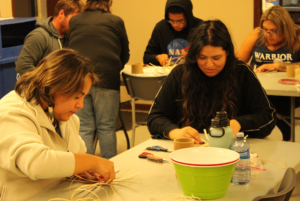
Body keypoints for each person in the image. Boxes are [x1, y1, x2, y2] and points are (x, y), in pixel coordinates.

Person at [0, 49, 115, 201]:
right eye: (76, 96)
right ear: (54, 87)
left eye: (83, 97)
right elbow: (36, 163)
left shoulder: (63, 116)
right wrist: (91, 162)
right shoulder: (13, 112)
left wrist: (78, 169)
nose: (80, 104)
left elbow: (76, 153)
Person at [147, 20, 276, 142]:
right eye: (202, 57)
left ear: (227, 53)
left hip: (231, 150)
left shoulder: (241, 73)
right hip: (189, 150)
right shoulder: (180, 73)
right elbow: (155, 117)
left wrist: (239, 123)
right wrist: (175, 132)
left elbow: (267, 116)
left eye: (216, 58)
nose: (209, 64)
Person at [68, 0, 130, 158]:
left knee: (84, 128)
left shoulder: (75, 20)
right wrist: (115, 68)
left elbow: (69, 48)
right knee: (107, 127)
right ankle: (109, 168)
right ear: (109, 2)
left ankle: (85, 170)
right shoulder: (116, 21)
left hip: (79, 79)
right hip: (107, 79)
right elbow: (124, 54)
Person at [236, 5, 300, 141]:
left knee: (281, 116)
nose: (268, 35)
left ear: (286, 29)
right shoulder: (256, 35)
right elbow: (238, 61)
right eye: (265, 30)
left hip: (287, 91)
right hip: (259, 88)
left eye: (274, 31)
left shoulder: (297, 36)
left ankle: (287, 137)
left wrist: (278, 66)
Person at [15, 0, 83, 76]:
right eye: (73, 19)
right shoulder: (39, 36)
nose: (74, 24)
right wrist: (45, 82)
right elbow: (23, 66)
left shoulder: (69, 37)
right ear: (61, 14)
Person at [143, 0, 203, 66]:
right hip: (166, 74)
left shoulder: (200, 27)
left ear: (188, 17)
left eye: (180, 21)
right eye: (171, 20)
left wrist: (192, 56)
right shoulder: (161, 28)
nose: (175, 25)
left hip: (192, 74)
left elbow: (210, 57)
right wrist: (157, 57)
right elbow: (147, 57)